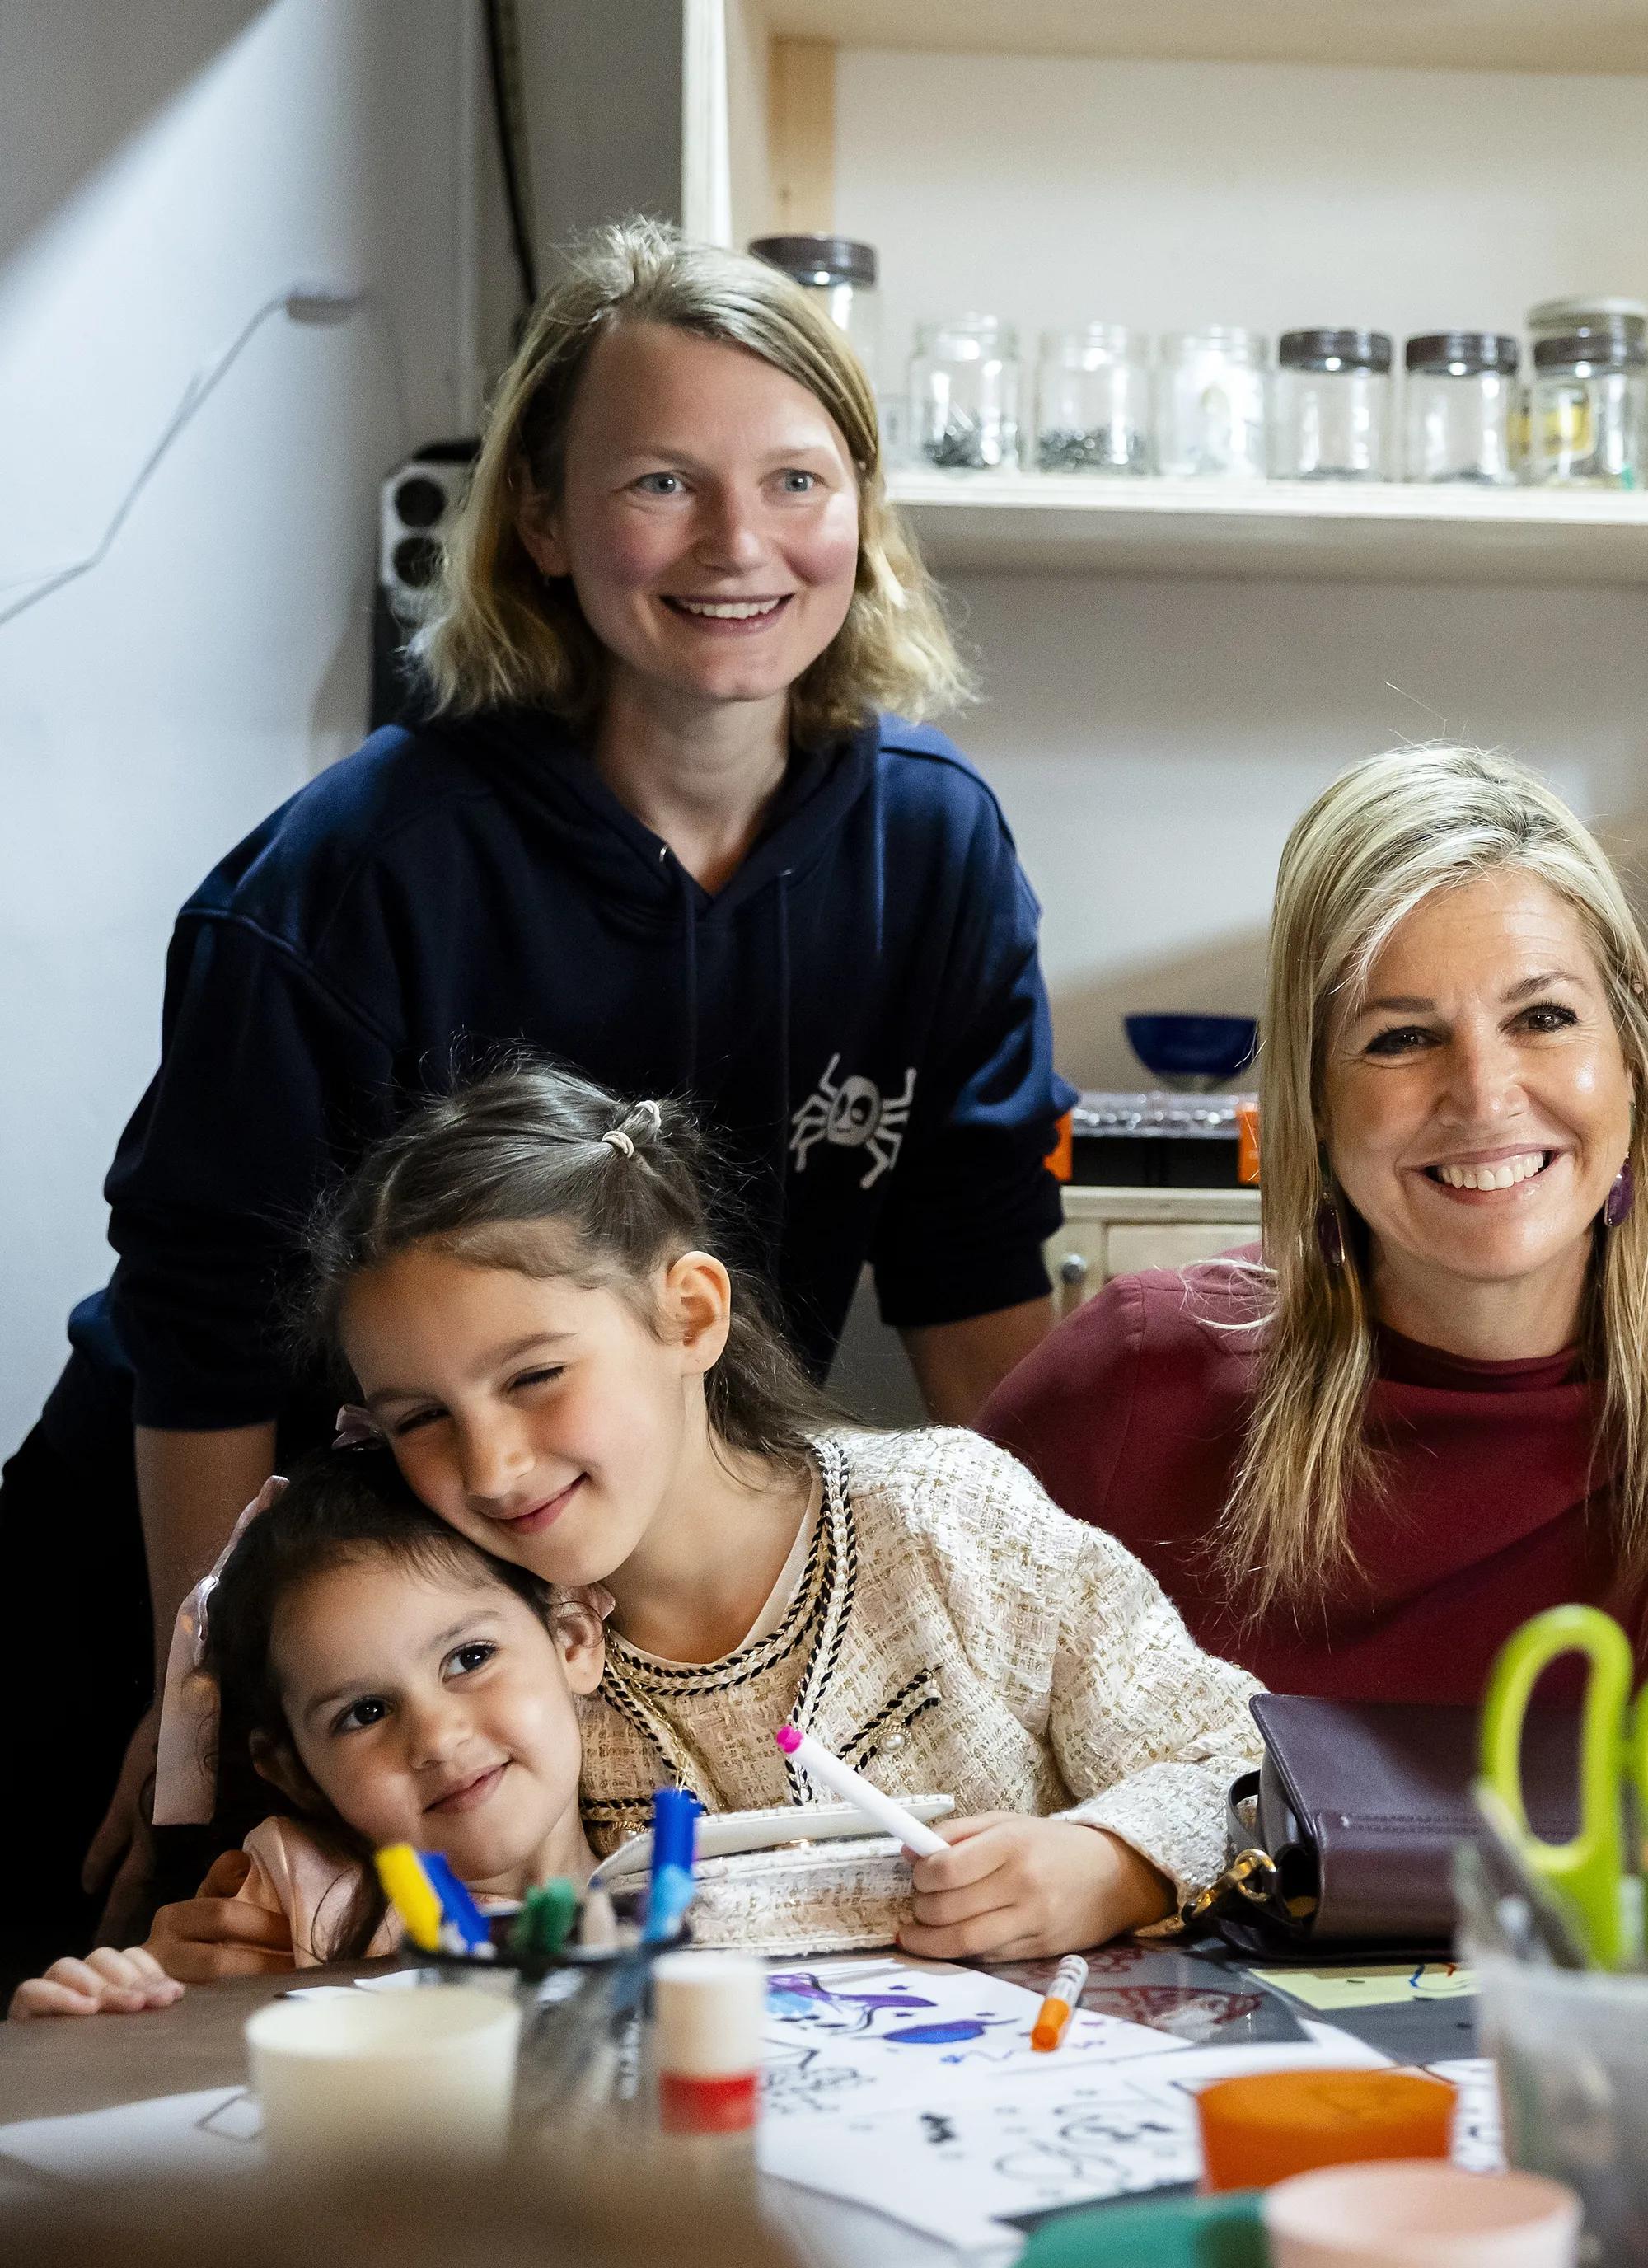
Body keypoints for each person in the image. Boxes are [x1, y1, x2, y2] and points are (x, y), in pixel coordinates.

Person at [2, 218, 1073, 1984]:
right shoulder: (354, 871)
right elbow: (197, 1326)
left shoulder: (934, 844)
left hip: (522, 1595)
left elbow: (975, 1282)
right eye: (662, 481)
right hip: (195, 1556)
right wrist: (204, 1691)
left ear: (863, 512)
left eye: (795, 477)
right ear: (543, 524)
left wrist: (1051, 1603)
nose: (740, 544)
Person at [983, 746, 1648, 1825]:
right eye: (1400, 1037)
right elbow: (878, 1746)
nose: (1484, 1096)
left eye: (1542, 1018)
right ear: (1310, 1096)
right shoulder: (1133, 1376)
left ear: (1633, 1051)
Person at [304, 1061, 1262, 1963]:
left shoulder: (946, 1517)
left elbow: (1244, 1766)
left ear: (691, 1314)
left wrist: (1113, 1865)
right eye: (422, 1418)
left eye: (536, 1375)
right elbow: (421, 1892)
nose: (493, 1464)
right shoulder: (477, 1650)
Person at [12, 1451, 602, 2016]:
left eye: (470, 1658)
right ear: (293, 1770)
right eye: (365, 1713)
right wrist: (100, 2021)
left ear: (573, 1642)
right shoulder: (297, 1902)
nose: (437, 1739)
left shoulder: (672, 1885)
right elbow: (171, 2071)